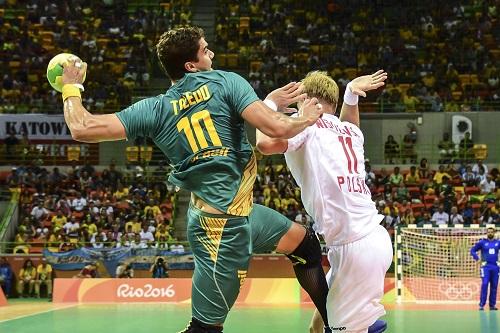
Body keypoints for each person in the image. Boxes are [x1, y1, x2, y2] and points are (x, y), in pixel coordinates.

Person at [59, 26, 329, 332]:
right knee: (204, 329)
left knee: (305, 245)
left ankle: (325, 326)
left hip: (241, 214)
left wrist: (70, 87)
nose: (211, 53)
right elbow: (276, 129)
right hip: (222, 235)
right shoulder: (227, 81)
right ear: (191, 65)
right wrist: (307, 115)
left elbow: (82, 127)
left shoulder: (155, 108)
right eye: (205, 50)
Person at [256, 70, 392, 333]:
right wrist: (351, 94)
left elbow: (264, 143)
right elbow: (349, 120)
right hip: (372, 238)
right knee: (317, 325)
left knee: (339, 329)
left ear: (305, 98)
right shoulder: (350, 132)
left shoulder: (305, 123)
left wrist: (270, 103)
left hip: (355, 249)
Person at [470, 228, 499, 311]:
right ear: (486, 233)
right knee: (485, 284)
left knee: (494, 286)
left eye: (491, 232)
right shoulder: (482, 242)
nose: (490, 233)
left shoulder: (498, 242)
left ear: (494, 233)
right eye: (488, 232)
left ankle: (492, 305)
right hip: (485, 267)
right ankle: (481, 305)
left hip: (495, 267)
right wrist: (477, 258)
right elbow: (472, 250)